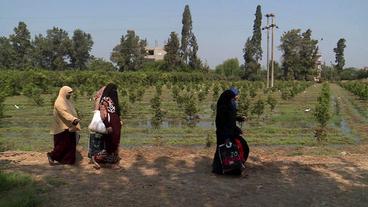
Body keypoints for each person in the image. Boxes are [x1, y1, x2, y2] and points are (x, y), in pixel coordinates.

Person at [212, 87, 249, 175]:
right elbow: (225, 121)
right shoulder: (223, 108)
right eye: (233, 97)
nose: (235, 98)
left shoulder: (228, 105)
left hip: (230, 132)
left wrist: (238, 119)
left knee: (227, 150)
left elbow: (231, 118)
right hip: (225, 133)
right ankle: (227, 169)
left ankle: (228, 167)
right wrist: (233, 131)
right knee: (225, 150)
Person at [47, 86, 80, 165]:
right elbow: (64, 113)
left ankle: (67, 161)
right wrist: (73, 119)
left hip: (69, 126)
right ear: (63, 92)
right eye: (69, 93)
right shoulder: (59, 102)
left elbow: (71, 111)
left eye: (71, 93)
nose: (70, 95)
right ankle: (52, 156)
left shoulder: (67, 101)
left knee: (71, 145)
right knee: (61, 145)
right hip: (61, 127)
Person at [91, 83, 122, 168]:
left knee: (115, 143)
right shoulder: (105, 100)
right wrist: (107, 125)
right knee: (110, 144)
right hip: (110, 124)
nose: (115, 92)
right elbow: (103, 114)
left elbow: (117, 113)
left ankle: (112, 162)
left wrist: (120, 121)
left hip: (116, 124)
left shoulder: (114, 99)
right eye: (114, 90)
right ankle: (97, 158)